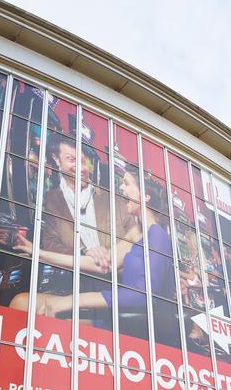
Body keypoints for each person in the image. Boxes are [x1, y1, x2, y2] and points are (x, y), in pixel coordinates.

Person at [14, 169, 173, 319]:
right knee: (22, 302)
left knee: (25, 304)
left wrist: (71, 301)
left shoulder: (158, 236)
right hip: (116, 311)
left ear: (145, 196)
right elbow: (102, 264)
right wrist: (38, 253)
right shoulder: (136, 232)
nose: (121, 187)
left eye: (127, 183)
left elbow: (142, 295)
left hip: (125, 322)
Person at [13, 135, 122, 277]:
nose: (81, 168)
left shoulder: (108, 197)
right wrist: (84, 251)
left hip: (112, 277)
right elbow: (50, 243)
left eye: (83, 161)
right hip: (75, 275)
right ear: (56, 159)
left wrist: (108, 254)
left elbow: (127, 241)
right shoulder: (52, 198)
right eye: (71, 160)